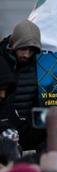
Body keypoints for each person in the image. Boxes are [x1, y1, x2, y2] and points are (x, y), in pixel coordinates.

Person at [0, 19, 45, 150]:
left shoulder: (38, 66)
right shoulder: (2, 62)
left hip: (28, 130)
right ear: (13, 45)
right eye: (23, 49)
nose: (26, 54)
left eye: (32, 50)